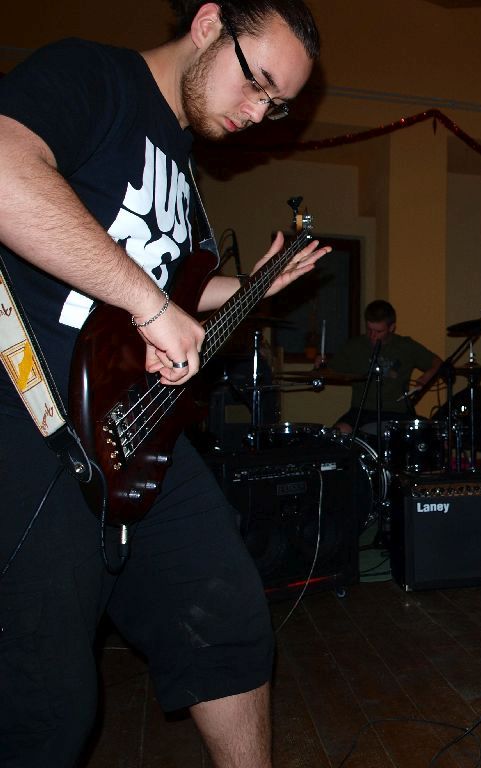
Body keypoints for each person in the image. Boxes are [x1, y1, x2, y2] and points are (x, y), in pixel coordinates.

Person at [0, 2, 329, 766]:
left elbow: (172, 286)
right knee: (47, 707)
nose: (259, 112)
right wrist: (149, 306)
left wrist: (254, 286)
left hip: (137, 431)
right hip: (36, 420)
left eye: (277, 105)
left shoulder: (182, 168)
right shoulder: (94, 75)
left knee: (231, 625)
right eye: (257, 82)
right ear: (210, 23)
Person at [327, 299, 442, 434]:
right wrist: (322, 364)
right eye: (369, 330)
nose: (372, 336)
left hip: (397, 413)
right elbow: (329, 371)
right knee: (338, 433)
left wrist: (426, 376)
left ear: (392, 328)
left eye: (378, 331)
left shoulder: (406, 346)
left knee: (431, 432)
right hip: (361, 412)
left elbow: (438, 363)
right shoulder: (354, 346)